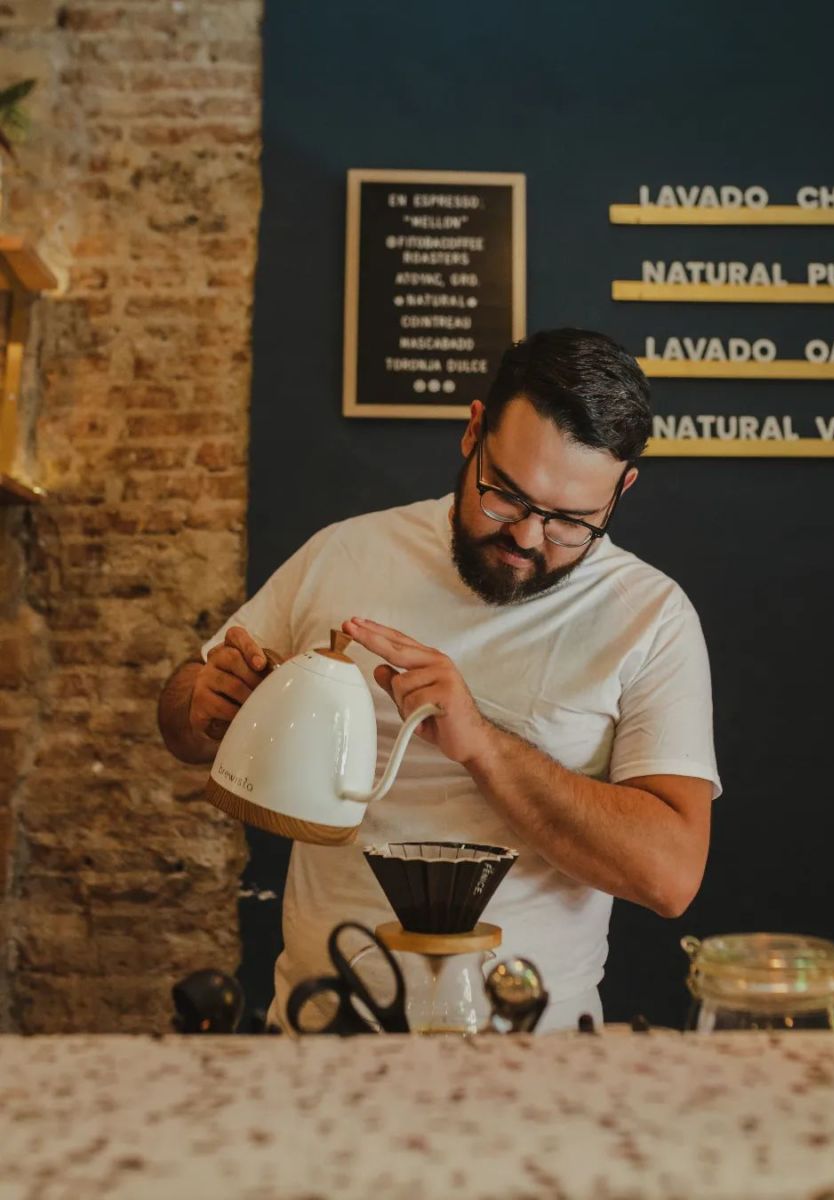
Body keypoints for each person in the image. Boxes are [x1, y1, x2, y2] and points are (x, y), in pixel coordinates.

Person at [158, 328, 720, 1032]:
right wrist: (205, 702)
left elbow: (668, 877)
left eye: (571, 521)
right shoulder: (344, 554)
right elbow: (184, 724)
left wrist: (482, 745)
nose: (527, 537)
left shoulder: (652, 617)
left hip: (535, 1057)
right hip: (318, 1034)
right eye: (507, 497)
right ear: (474, 431)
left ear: (622, 489)